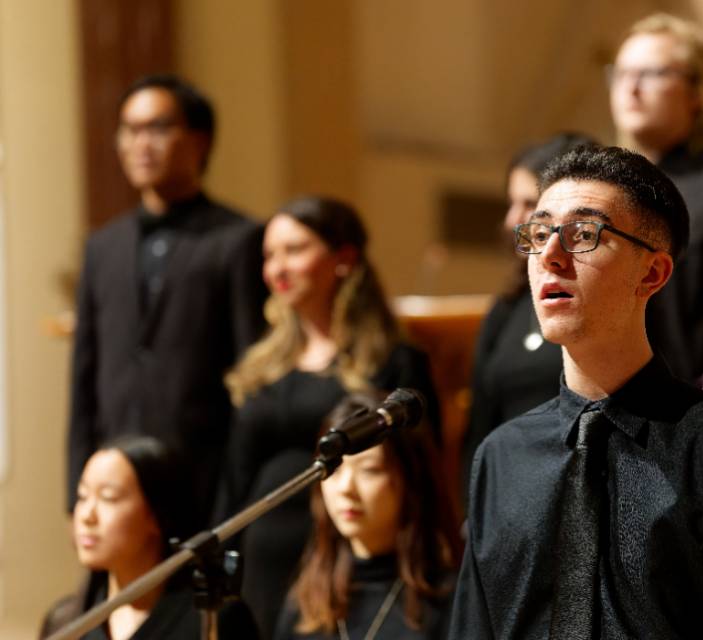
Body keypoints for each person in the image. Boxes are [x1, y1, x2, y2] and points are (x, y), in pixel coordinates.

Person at [450, 145, 703, 638]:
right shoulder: (501, 458)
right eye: (539, 233)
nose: (550, 255)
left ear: (652, 273)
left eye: (583, 234)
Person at [217, 196, 441, 638]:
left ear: (344, 258)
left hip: (343, 552)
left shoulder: (392, 361)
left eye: (294, 250)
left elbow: (420, 472)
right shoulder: (261, 365)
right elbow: (235, 479)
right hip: (263, 555)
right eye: (269, 255)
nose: (276, 268)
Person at [67, 74, 267, 521]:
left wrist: (235, 492)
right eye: (129, 130)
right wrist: (75, 489)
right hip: (115, 481)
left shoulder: (237, 239)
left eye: (157, 128)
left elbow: (250, 371)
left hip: (201, 480)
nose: (141, 143)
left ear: (199, 140)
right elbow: (83, 375)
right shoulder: (102, 246)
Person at [608, 13, 703, 382]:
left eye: (651, 73)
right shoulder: (605, 192)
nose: (631, 88)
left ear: (697, 93)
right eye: (621, 74)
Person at [460, 133, 596, 504]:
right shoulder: (506, 309)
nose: (512, 220)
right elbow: (479, 425)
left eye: (528, 204)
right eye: (511, 204)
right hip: (508, 497)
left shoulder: (600, 304)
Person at [275, 393, 462, 640]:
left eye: (369, 470)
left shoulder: (451, 598)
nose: (345, 488)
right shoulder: (308, 598)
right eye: (335, 469)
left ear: (411, 480)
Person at [42, 436, 258, 639]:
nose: (87, 515)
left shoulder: (214, 617)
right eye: (82, 496)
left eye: (108, 497)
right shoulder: (65, 621)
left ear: (157, 514)